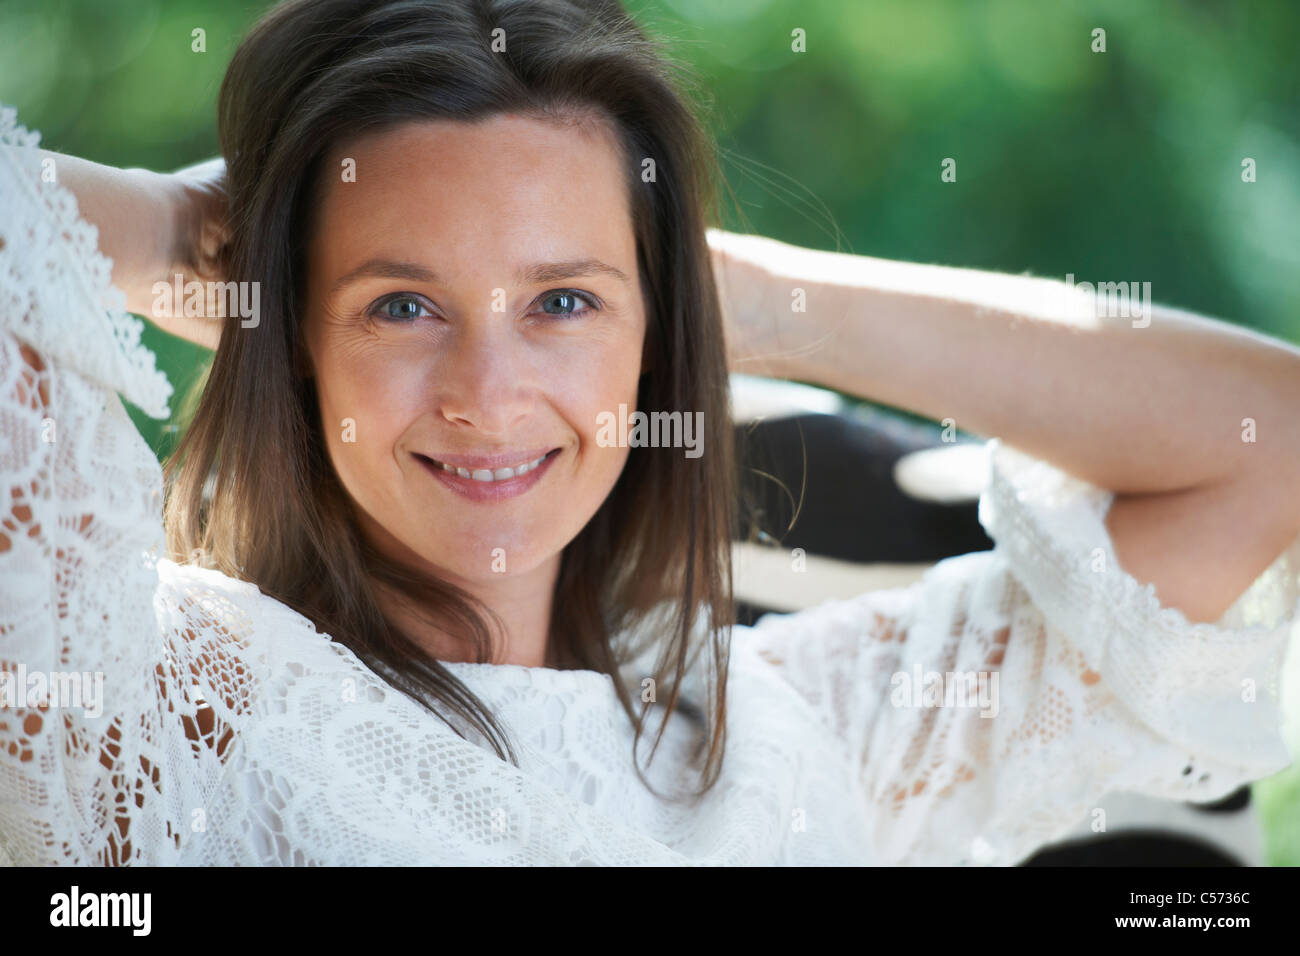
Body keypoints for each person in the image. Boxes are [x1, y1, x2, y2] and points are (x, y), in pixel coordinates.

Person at [1, 0, 1298, 867]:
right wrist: (190, 236)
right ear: (289, 337)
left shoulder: (799, 738)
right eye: (402, 303)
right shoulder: (150, 698)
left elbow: (1264, 442)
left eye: (562, 301)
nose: (488, 390)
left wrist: (737, 295)